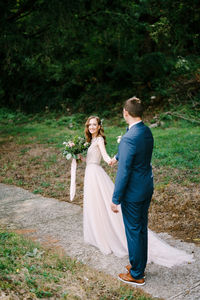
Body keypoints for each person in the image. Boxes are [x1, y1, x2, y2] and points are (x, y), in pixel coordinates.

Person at [83, 111, 194, 284]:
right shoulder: (145, 131)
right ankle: (138, 265)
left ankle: (137, 273)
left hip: (131, 190)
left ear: (126, 113)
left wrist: (116, 197)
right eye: (89, 125)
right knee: (139, 228)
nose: (91, 127)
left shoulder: (123, 138)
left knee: (134, 230)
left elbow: (121, 168)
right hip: (144, 186)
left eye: (94, 124)